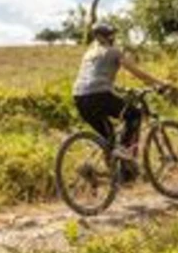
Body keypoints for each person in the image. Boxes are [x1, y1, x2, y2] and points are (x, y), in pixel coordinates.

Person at [72, 21, 170, 167]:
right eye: (113, 35)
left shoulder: (89, 54)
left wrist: (119, 88)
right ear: (110, 36)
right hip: (100, 96)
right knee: (135, 115)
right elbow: (136, 71)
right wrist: (158, 83)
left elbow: (93, 78)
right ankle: (126, 153)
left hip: (79, 97)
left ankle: (118, 173)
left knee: (109, 136)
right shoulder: (114, 51)